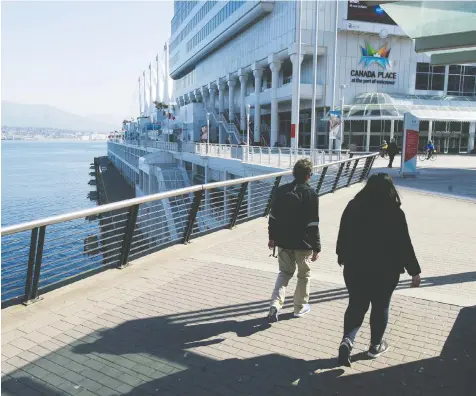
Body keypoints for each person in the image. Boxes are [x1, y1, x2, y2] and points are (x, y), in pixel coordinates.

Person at [336, 173, 421, 367]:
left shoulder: (353, 206)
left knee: (356, 304)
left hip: (355, 267)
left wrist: (341, 255)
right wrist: (414, 271)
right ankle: (375, 346)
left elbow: (343, 233)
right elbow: (404, 245)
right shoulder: (395, 212)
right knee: (381, 306)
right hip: (386, 270)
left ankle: (347, 340)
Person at [267, 159, 320, 322]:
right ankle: (299, 307)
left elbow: (273, 217)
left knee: (284, 273)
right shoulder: (311, 194)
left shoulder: (281, 191)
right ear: (308, 175)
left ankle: (275, 305)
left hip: (283, 241)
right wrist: (316, 246)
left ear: (293, 174)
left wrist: (272, 237)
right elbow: (313, 223)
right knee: (304, 275)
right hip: (303, 243)